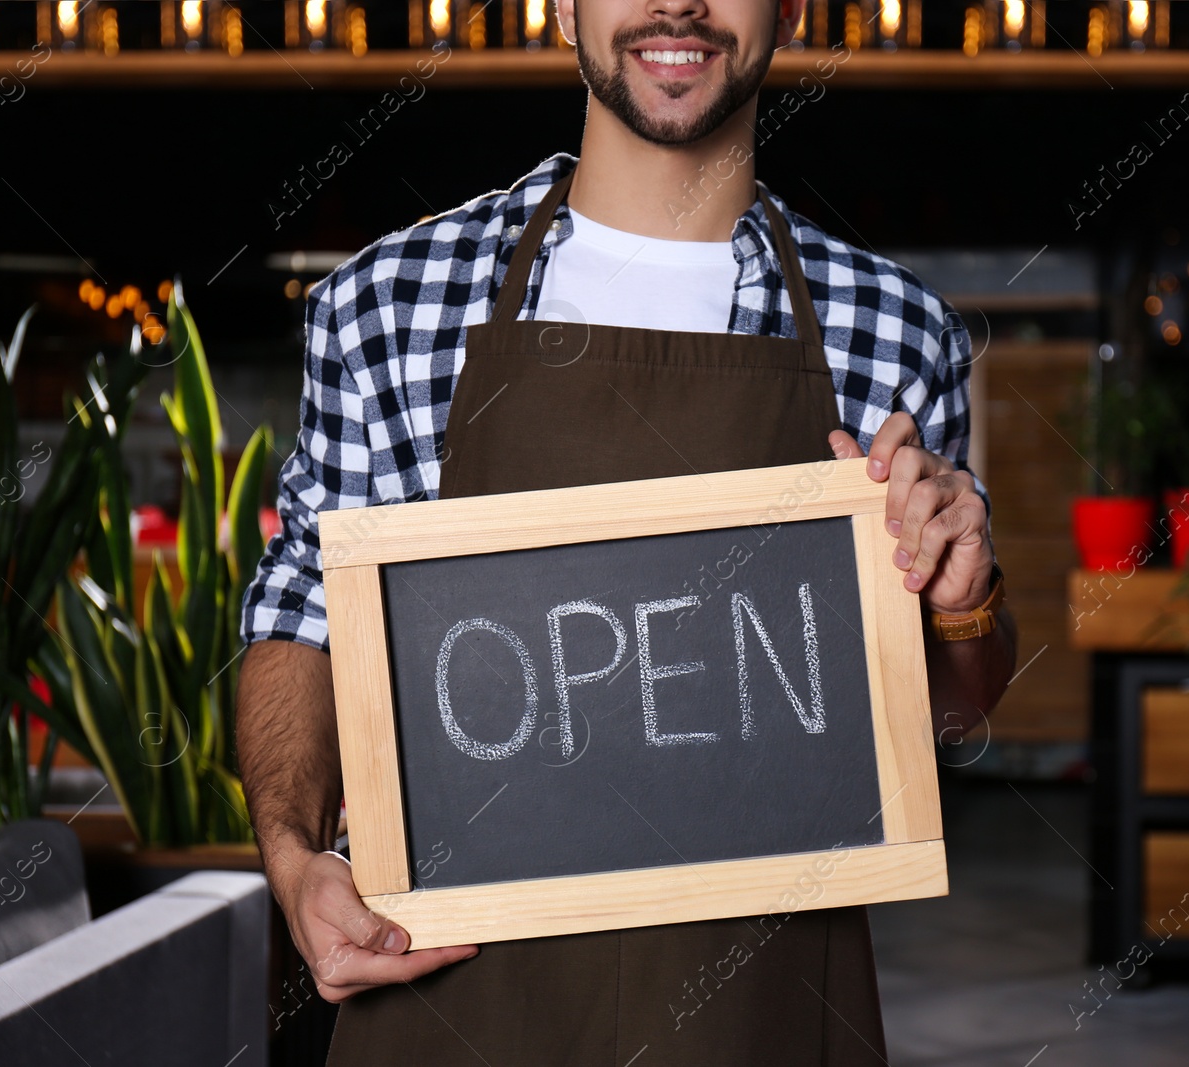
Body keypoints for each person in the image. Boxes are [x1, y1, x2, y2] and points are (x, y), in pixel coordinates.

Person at [235, 0, 1018, 1059]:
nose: (676, 6)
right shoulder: (387, 304)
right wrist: (291, 854)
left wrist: (963, 600)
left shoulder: (892, 332)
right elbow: (305, 607)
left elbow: (946, 719)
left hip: (763, 1008)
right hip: (448, 999)